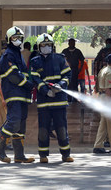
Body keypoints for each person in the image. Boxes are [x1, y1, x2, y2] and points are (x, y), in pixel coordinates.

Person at [0, 26, 35, 163]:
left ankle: (19, 155)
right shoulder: (8, 55)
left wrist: (31, 82)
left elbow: (22, 73)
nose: (17, 40)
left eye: (19, 38)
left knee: (21, 125)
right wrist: (28, 84)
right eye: (14, 38)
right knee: (14, 121)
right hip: (13, 94)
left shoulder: (18, 54)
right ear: (9, 40)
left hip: (22, 95)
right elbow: (13, 76)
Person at [31, 33, 74, 163]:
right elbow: (35, 78)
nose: (46, 47)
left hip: (59, 101)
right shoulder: (35, 61)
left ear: (52, 46)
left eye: (48, 45)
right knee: (43, 130)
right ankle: (43, 155)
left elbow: (68, 75)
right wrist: (45, 90)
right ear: (39, 47)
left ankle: (66, 154)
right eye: (43, 45)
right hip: (44, 102)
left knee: (61, 129)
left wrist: (60, 85)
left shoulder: (60, 59)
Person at [0, 67, 12, 150]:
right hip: (1, 99)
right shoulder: (2, 71)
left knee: (0, 122)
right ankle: (5, 143)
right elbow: (0, 86)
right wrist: (4, 99)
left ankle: (0, 142)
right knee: (6, 122)